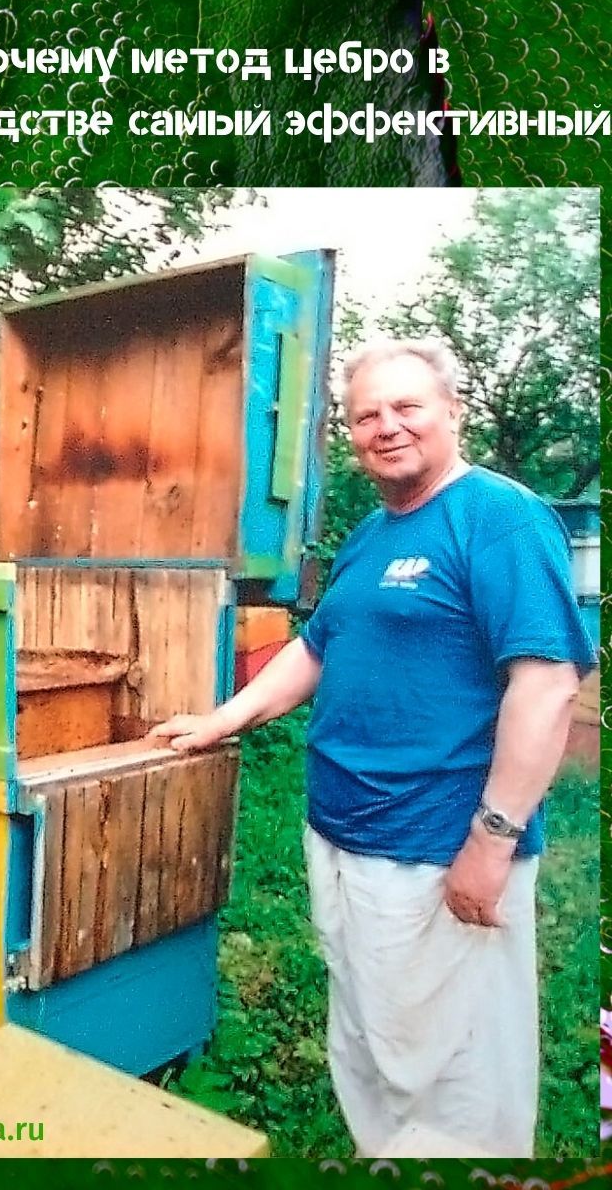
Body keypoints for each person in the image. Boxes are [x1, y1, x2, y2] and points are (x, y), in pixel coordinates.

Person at [150, 338, 597, 1158]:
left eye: (406, 407)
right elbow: (317, 646)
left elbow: (546, 685)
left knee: (453, 1071)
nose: (385, 427)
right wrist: (224, 718)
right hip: (344, 834)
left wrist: (490, 841)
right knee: (370, 1038)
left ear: (452, 412)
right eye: (366, 415)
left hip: (435, 846)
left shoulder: (498, 517)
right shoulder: (373, 532)